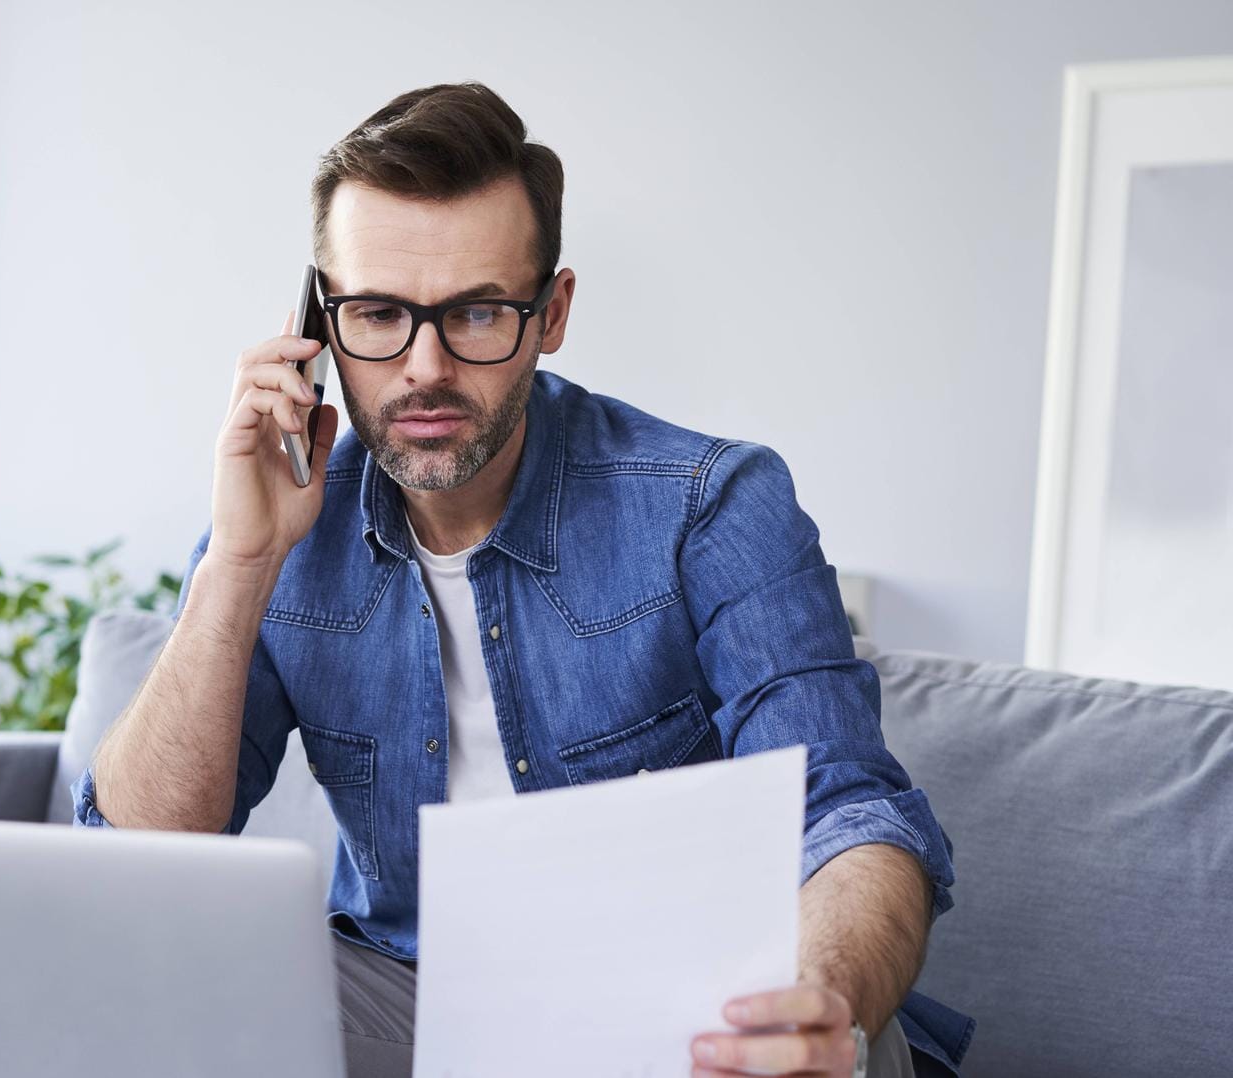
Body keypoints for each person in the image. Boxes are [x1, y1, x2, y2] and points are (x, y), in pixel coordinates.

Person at [71, 81, 972, 1078]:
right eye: (377, 313)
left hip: (691, 1005)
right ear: (317, 325)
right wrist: (239, 565)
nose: (423, 367)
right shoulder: (289, 513)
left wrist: (822, 1000)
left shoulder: (712, 505)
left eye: (478, 313)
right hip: (408, 993)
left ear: (552, 314)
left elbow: (849, 812)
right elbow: (137, 863)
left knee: (850, 1041)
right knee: (162, 994)